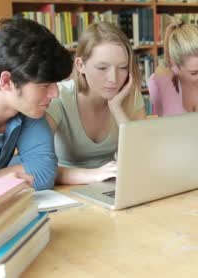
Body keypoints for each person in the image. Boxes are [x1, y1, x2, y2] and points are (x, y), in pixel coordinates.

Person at [0, 18, 73, 190]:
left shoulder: (26, 110)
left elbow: (44, 173)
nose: (55, 93)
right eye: (45, 85)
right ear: (6, 81)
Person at [46, 22, 146, 185]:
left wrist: (116, 109)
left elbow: (143, 158)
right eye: (102, 68)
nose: (114, 79)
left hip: (111, 185)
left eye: (122, 67)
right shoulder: (58, 98)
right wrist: (94, 175)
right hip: (65, 190)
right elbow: (42, 169)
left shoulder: (129, 97)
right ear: (80, 65)